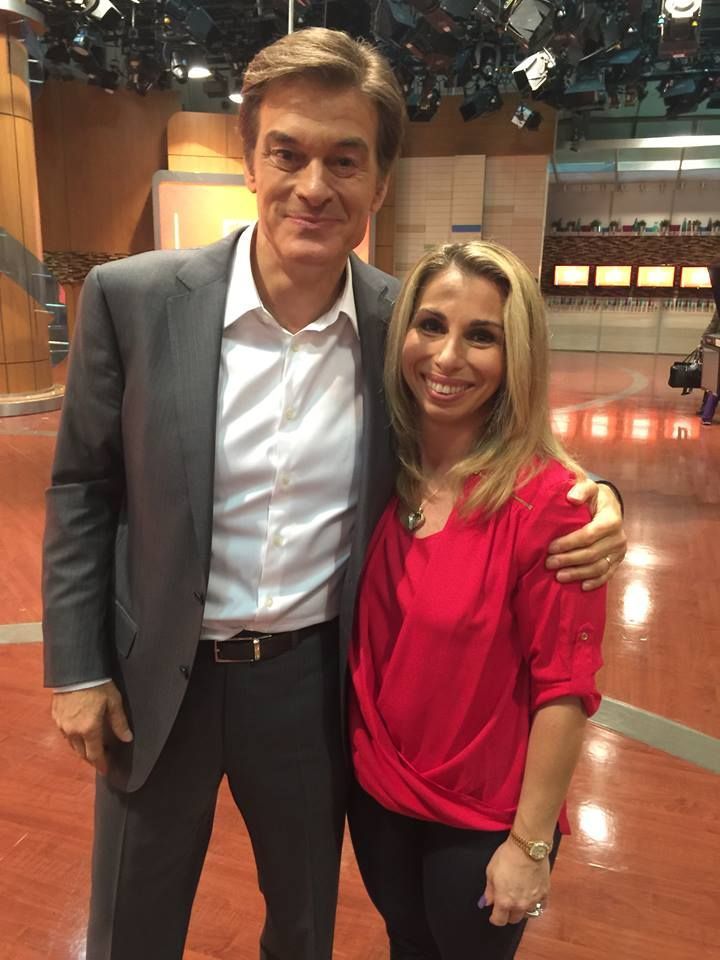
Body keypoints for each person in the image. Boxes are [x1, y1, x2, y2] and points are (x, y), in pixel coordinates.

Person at [42, 27, 625, 960]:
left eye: (345, 160)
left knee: (303, 923)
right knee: (132, 924)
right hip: (156, 678)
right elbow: (82, 487)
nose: (314, 186)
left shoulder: (406, 328)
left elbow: (497, 430)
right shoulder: (134, 299)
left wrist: (600, 494)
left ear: (379, 184)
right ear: (250, 162)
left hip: (310, 685)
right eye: (289, 153)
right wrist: (76, 667)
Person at [347, 239, 607, 960]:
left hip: (481, 818)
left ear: (517, 355)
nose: (447, 356)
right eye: (431, 325)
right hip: (378, 795)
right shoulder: (379, 468)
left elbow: (565, 688)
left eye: (482, 336)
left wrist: (530, 843)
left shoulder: (549, 504)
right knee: (405, 944)